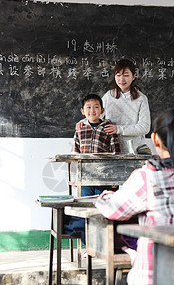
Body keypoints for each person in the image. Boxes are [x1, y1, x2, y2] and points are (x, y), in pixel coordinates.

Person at [95, 109, 174, 285]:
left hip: (156, 273)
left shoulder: (148, 177)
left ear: (155, 139)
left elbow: (113, 210)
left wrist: (105, 196)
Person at [64, 94, 120, 244]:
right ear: (83, 111)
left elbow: (116, 154)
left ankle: (103, 244)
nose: (92, 110)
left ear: (102, 110)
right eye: (88, 107)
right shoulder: (80, 130)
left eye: (96, 107)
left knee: (103, 209)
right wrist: (76, 177)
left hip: (104, 178)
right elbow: (75, 154)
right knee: (86, 209)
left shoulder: (108, 129)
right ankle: (88, 243)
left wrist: (115, 178)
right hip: (85, 178)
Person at [76, 59, 151, 153]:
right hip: (110, 149)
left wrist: (118, 129)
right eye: (118, 75)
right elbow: (97, 114)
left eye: (126, 75)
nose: (122, 79)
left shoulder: (141, 99)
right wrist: (83, 122)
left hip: (134, 150)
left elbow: (144, 127)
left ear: (133, 77)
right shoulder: (109, 96)